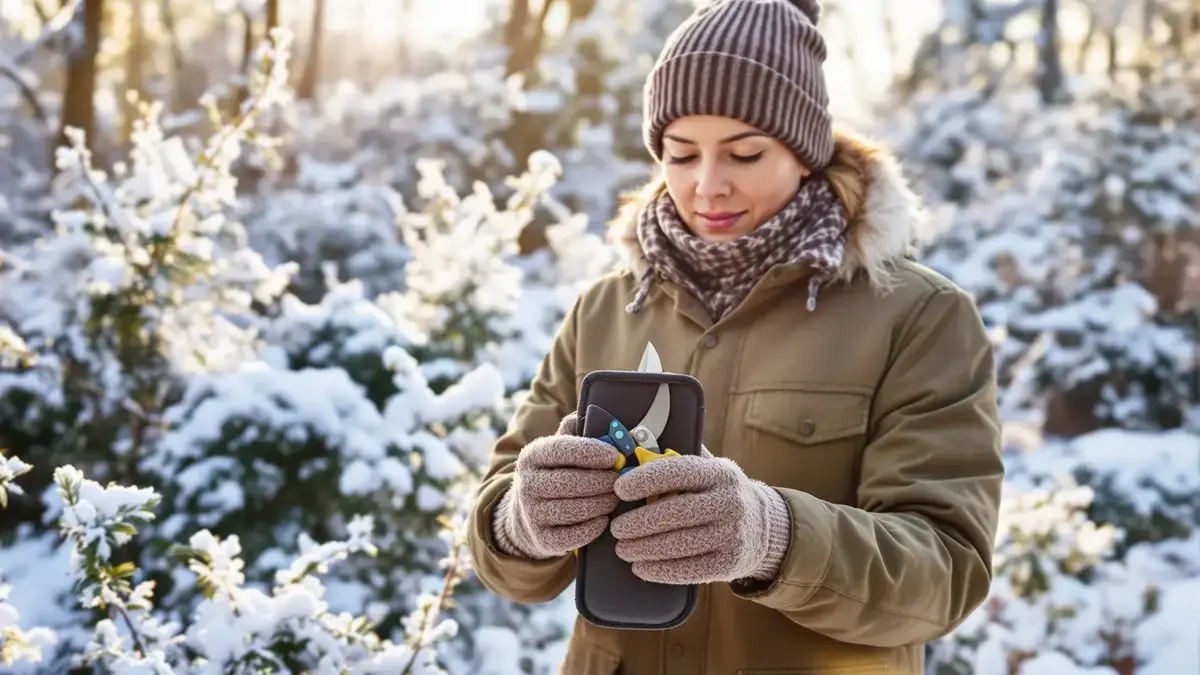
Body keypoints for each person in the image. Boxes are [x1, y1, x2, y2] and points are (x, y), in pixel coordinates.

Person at [466, 0, 1005, 672]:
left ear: (805, 152)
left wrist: (772, 537)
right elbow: (497, 551)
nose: (707, 185)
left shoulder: (919, 317)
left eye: (745, 153)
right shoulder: (605, 309)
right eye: (679, 154)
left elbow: (945, 572)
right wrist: (520, 522)